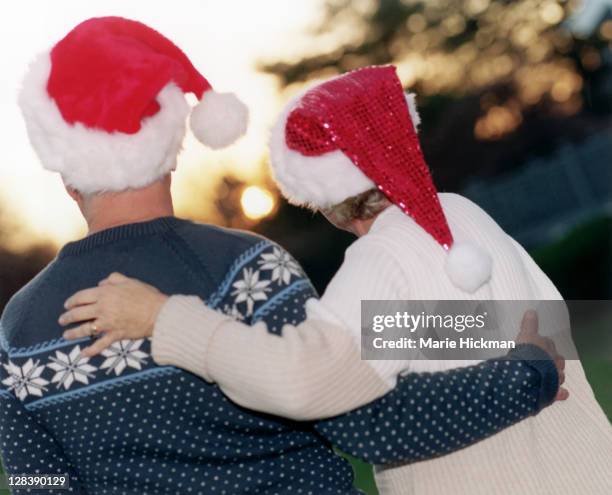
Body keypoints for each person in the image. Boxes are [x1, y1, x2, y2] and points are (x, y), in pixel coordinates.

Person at [0, 21, 565, 495]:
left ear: (67, 178)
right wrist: (524, 375)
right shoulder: (245, 269)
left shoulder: (19, 328)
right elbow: (365, 415)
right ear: (171, 150)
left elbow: (37, 483)